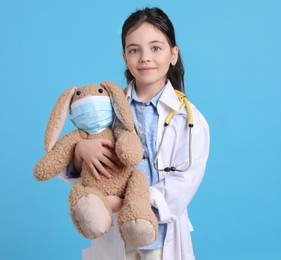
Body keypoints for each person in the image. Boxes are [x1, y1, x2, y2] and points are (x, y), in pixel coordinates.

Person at [60, 7, 210, 260]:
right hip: (114, 233)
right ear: (124, 58)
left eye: (156, 48)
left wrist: (122, 203)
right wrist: (80, 151)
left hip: (160, 233)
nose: (145, 57)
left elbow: (185, 183)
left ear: (174, 54)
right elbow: (78, 174)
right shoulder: (105, 107)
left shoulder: (189, 119)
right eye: (134, 50)